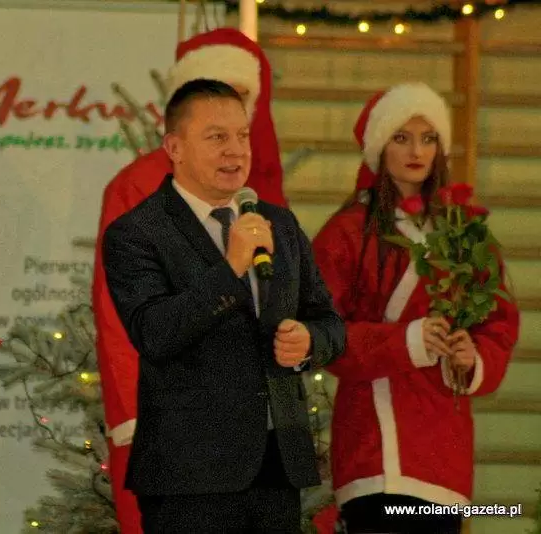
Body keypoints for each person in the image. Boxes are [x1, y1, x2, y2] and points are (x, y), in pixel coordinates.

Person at [101, 78, 345, 533]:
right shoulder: (136, 233)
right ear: (174, 147)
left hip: (277, 466)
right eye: (217, 137)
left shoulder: (277, 224)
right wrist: (230, 267)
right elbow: (155, 332)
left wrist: (310, 341)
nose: (235, 151)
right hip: (190, 476)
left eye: (242, 136)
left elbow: (329, 321)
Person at [92, 27, 288, 532]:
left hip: (261, 445)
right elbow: (121, 315)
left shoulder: (258, 192)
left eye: (240, 100)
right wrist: (132, 414)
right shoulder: (138, 190)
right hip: (179, 439)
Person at [311, 82, 520, 534]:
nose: (416, 151)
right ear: (379, 147)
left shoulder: (465, 234)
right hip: (374, 449)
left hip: (444, 451)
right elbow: (323, 333)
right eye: (401, 137)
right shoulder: (347, 232)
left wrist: (473, 357)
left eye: (428, 138)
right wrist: (407, 340)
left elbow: (498, 323)